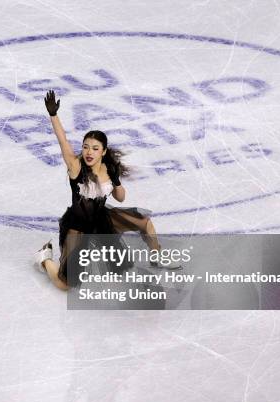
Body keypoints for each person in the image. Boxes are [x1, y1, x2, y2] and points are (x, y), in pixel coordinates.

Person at [35, 91, 181, 290]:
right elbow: (63, 142)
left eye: (95, 148)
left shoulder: (109, 169)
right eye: (86, 147)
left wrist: (116, 181)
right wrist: (53, 115)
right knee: (66, 284)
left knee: (145, 223)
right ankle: (45, 259)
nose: (88, 152)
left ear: (103, 151)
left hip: (101, 219)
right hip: (77, 227)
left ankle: (157, 257)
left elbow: (120, 198)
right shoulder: (76, 167)